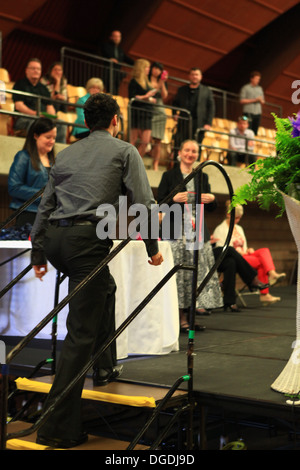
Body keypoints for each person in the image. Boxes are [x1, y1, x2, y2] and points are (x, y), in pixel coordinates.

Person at [30, 92, 163, 448]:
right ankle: (56, 428)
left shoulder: (66, 152)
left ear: (85, 122)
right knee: (79, 336)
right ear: (115, 121)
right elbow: (143, 202)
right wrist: (152, 248)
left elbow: (45, 205)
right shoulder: (124, 150)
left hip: (57, 241)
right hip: (86, 243)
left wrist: (38, 255)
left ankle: (105, 368)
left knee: (105, 288)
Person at [157, 139, 223, 332]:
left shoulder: (202, 177)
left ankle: (190, 317)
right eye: (187, 150)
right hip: (176, 233)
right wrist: (173, 198)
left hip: (197, 232)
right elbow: (160, 203)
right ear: (180, 152)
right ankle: (179, 319)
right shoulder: (169, 175)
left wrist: (212, 199)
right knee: (180, 276)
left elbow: (210, 207)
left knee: (195, 276)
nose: (190, 154)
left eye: (194, 151)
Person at [213, 201, 286, 306]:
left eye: (239, 218)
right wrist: (240, 252)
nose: (237, 220)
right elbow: (222, 250)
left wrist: (248, 250)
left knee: (264, 251)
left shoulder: (239, 228)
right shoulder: (220, 229)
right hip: (237, 259)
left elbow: (244, 245)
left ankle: (272, 273)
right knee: (262, 262)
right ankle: (265, 293)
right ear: (228, 214)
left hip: (245, 255)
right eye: (236, 217)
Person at [8, 117, 57, 228]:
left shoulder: (54, 161)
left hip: (51, 216)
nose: (52, 141)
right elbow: (14, 188)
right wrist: (42, 195)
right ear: (35, 136)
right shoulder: (23, 157)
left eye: (54, 138)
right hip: (29, 214)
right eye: (48, 137)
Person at [172, 67, 215, 153]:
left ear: (201, 76)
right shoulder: (182, 90)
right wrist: (174, 113)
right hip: (183, 122)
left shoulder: (207, 91)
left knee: (196, 147)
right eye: (192, 74)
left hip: (199, 124)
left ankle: (196, 167)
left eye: (197, 75)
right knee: (179, 144)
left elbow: (211, 108)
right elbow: (175, 103)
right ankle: (177, 166)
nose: (194, 76)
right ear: (189, 76)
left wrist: (208, 123)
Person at [12, 58, 56, 136]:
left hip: (42, 118)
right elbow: (19, 106)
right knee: (35, 122)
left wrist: (51, 116)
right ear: (26, 70)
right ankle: (31, 147)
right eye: (33, 68)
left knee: (61, 124)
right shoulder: (20, 84)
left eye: (38, 69)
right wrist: (36, 114)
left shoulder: (44, 88)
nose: (36, 71)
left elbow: (50, 107)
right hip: (24, 118)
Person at [128, 59, 157, 158]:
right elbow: (132, 97)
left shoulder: (147, 82)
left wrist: (151, 99)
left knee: (145, 141)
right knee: (133, 140)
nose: (148, 69)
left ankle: (136, 160)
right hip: (137, 111)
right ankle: (128, 160)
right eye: (147, 67)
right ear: (141, 68)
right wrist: (146, 96)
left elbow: (147, 96)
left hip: (147, 112)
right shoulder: (134, 81)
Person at [41, 61, 69, 143]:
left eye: (59, 70)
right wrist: (57, 82)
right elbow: (48, 97)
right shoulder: (44, 80)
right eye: (55, 70)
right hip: (46, 104)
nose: (57, 72)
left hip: (58, 106)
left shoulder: (63, 81)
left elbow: (65, 96)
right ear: (50, 71)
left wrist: (60, 97)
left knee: (60, 102)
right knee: (55, 101)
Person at [149, 62, 168, 170]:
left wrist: (163, 81)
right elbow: (151, 91)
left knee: (158, 140)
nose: (156, 70)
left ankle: (155, 164)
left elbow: (164, 95)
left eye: (159, 69)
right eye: (155, 68)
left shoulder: (162, 81)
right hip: (148, 107)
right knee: (146, 137)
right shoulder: (146, 79)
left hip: (160, 109)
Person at [101, 30, 134, 94]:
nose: (117, 38)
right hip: (109, 71)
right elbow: (104, 53)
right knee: (110, 88)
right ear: (111, 37)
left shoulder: (120, 49)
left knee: (116, 89)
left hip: (117, 72)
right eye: (115, 36)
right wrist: (110, 59)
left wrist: (137, 63)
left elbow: (126, 58)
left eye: (119, 37)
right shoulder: (106, 46)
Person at [239, 71, 265, 135]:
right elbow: (241, 100)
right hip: (248, 112)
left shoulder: (260, 88)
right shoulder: (245, 88)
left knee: (255, 131)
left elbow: (263, 101)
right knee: (247, 130)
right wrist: (255, 100)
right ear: (252, 79)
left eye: (258, 79)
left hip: (258, 113)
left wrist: (260, 100)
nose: (258, 80)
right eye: (256, 79)